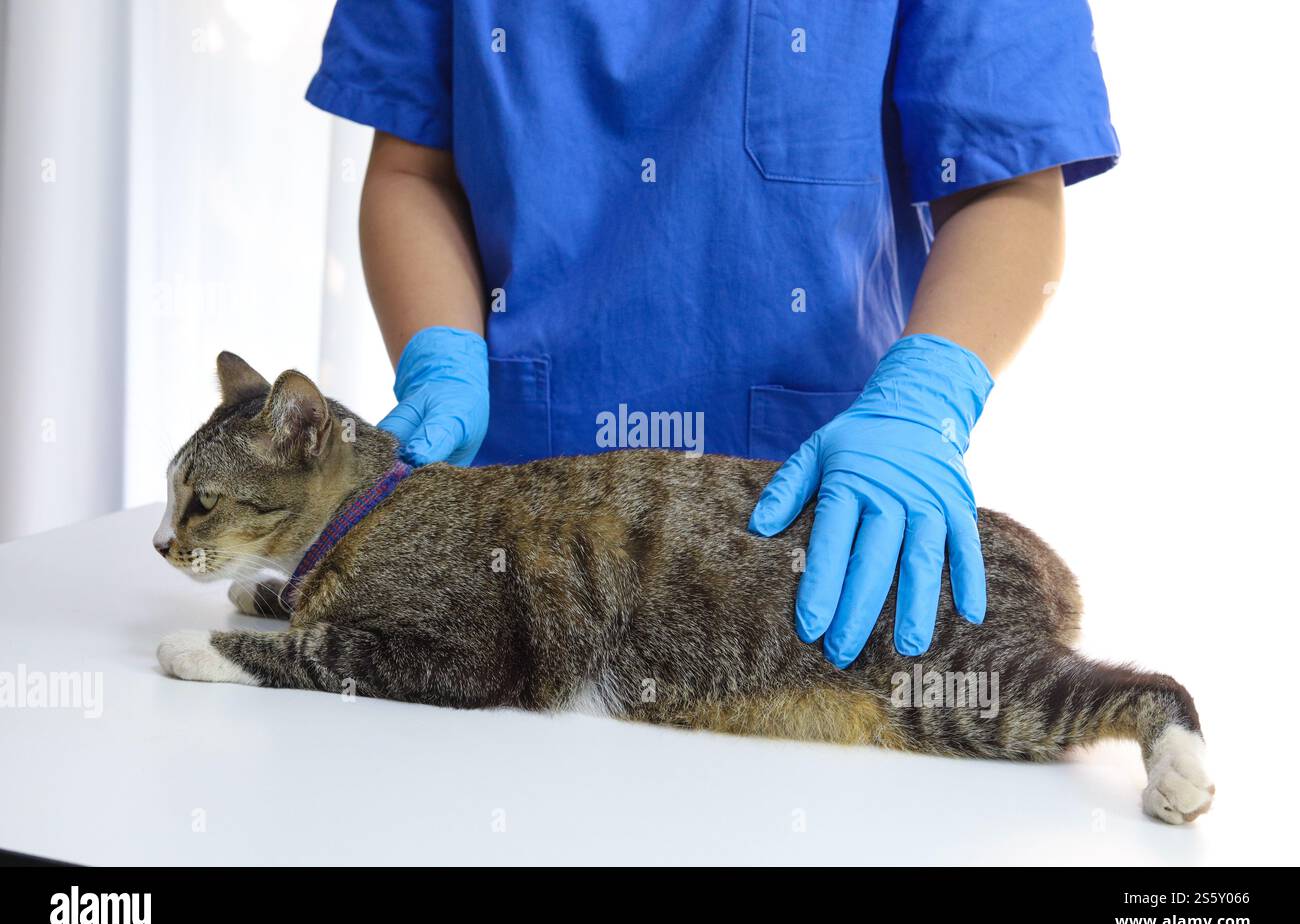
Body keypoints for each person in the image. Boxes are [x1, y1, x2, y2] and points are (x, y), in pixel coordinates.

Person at [306, 0, 1118, 666]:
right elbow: (413, 169)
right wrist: (440, 358)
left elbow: (1006, 185)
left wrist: (925, 398)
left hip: (814, 542)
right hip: (518, 556)